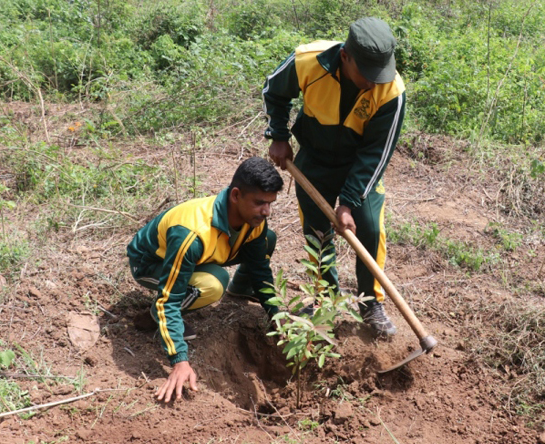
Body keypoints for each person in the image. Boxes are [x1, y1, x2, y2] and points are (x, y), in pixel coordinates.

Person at [262, 17, 405, 337]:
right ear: (345, 57)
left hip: (360, 166)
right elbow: (274, 90)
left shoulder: (391, 90)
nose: (373, 83)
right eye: (366, 75)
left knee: (369, 229)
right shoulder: (308, 62)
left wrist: (349, 202)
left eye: (378, 75)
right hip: (314, 160)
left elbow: (376, 154)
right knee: (317, 230)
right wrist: (279, 135)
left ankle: (371, 305)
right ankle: (325, 298)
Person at [126, 157, 283, 403]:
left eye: (270, 203)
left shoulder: (252, 221)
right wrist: (179, 361)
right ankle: (156, 317)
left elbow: (261, 270)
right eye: (259, 203)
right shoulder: (191, 234)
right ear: (235, 195)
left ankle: (241, 288)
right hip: (151, 262)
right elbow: (169, 298)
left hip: (201, 254)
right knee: (214, 282)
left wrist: (277, 317)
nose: (266, 211)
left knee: (267, 238)